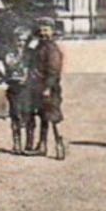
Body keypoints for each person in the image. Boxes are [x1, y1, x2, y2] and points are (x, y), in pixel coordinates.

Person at [0, 26, 38, 155]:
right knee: (15, 113)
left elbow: (35, 68)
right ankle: (17, 143)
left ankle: (29, 143)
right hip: (14, 86)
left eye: (24, 40)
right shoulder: (10, 53)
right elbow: (8, 65)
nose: (21, 43)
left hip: (28, 87)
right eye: (18, 40)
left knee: (29, 113)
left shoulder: (31, 53)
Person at [30, 20, 66, 160]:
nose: (43, 33)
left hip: (49, 87)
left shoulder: (52, 49)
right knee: (43, 117)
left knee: (53, 116)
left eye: (46, 30)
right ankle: (42, 145)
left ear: (52, 31)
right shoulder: (39, 46)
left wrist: (47, 87)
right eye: (41, 30)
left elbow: (54, 71)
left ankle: (60, 143)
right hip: (39, 86)